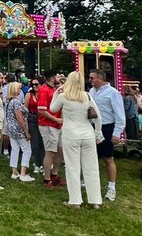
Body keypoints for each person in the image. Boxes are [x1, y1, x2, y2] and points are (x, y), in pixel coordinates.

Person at [51, 69, 103, 209]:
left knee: (72, 168)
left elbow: (53, 108)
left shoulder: (63, 97)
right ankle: (95, 201)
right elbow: (98, 117)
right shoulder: (87, 96)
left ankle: (75, 201)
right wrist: (98, 133)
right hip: (88, 134)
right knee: (91, 168)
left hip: (70, 135)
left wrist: (56, 93)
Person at [89, 68, 126, 203]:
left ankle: (111, 188)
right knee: (91, 156)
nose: (90, 80)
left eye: (92, 78)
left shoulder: (113, 93)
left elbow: (120, 115)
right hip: (92, 127)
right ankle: (90, 183)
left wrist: (116, 134)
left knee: (108, 158)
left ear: (100, 78)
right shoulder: (91, 91)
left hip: (107, 127)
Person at [36, 71, 64, 188]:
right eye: (57, 76)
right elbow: (41, 110)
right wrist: (56, 119)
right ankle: (47, 179)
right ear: (52, 78)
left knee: (60, 150)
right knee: (50, 151)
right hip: (47, 125)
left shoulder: (55, 89)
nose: (59, 78)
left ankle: (55, 174)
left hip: (58, 124)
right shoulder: (44, 90)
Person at [5, 79, 34, 182]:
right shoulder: (16, 102)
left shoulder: (9, 101)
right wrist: (26, 131)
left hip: (11, 129)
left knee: (15, 149)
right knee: (27, 149)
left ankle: (14, 172)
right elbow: (19, 118)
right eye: (18, 88)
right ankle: (23, 173)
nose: (20, 90)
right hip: (19, 129)